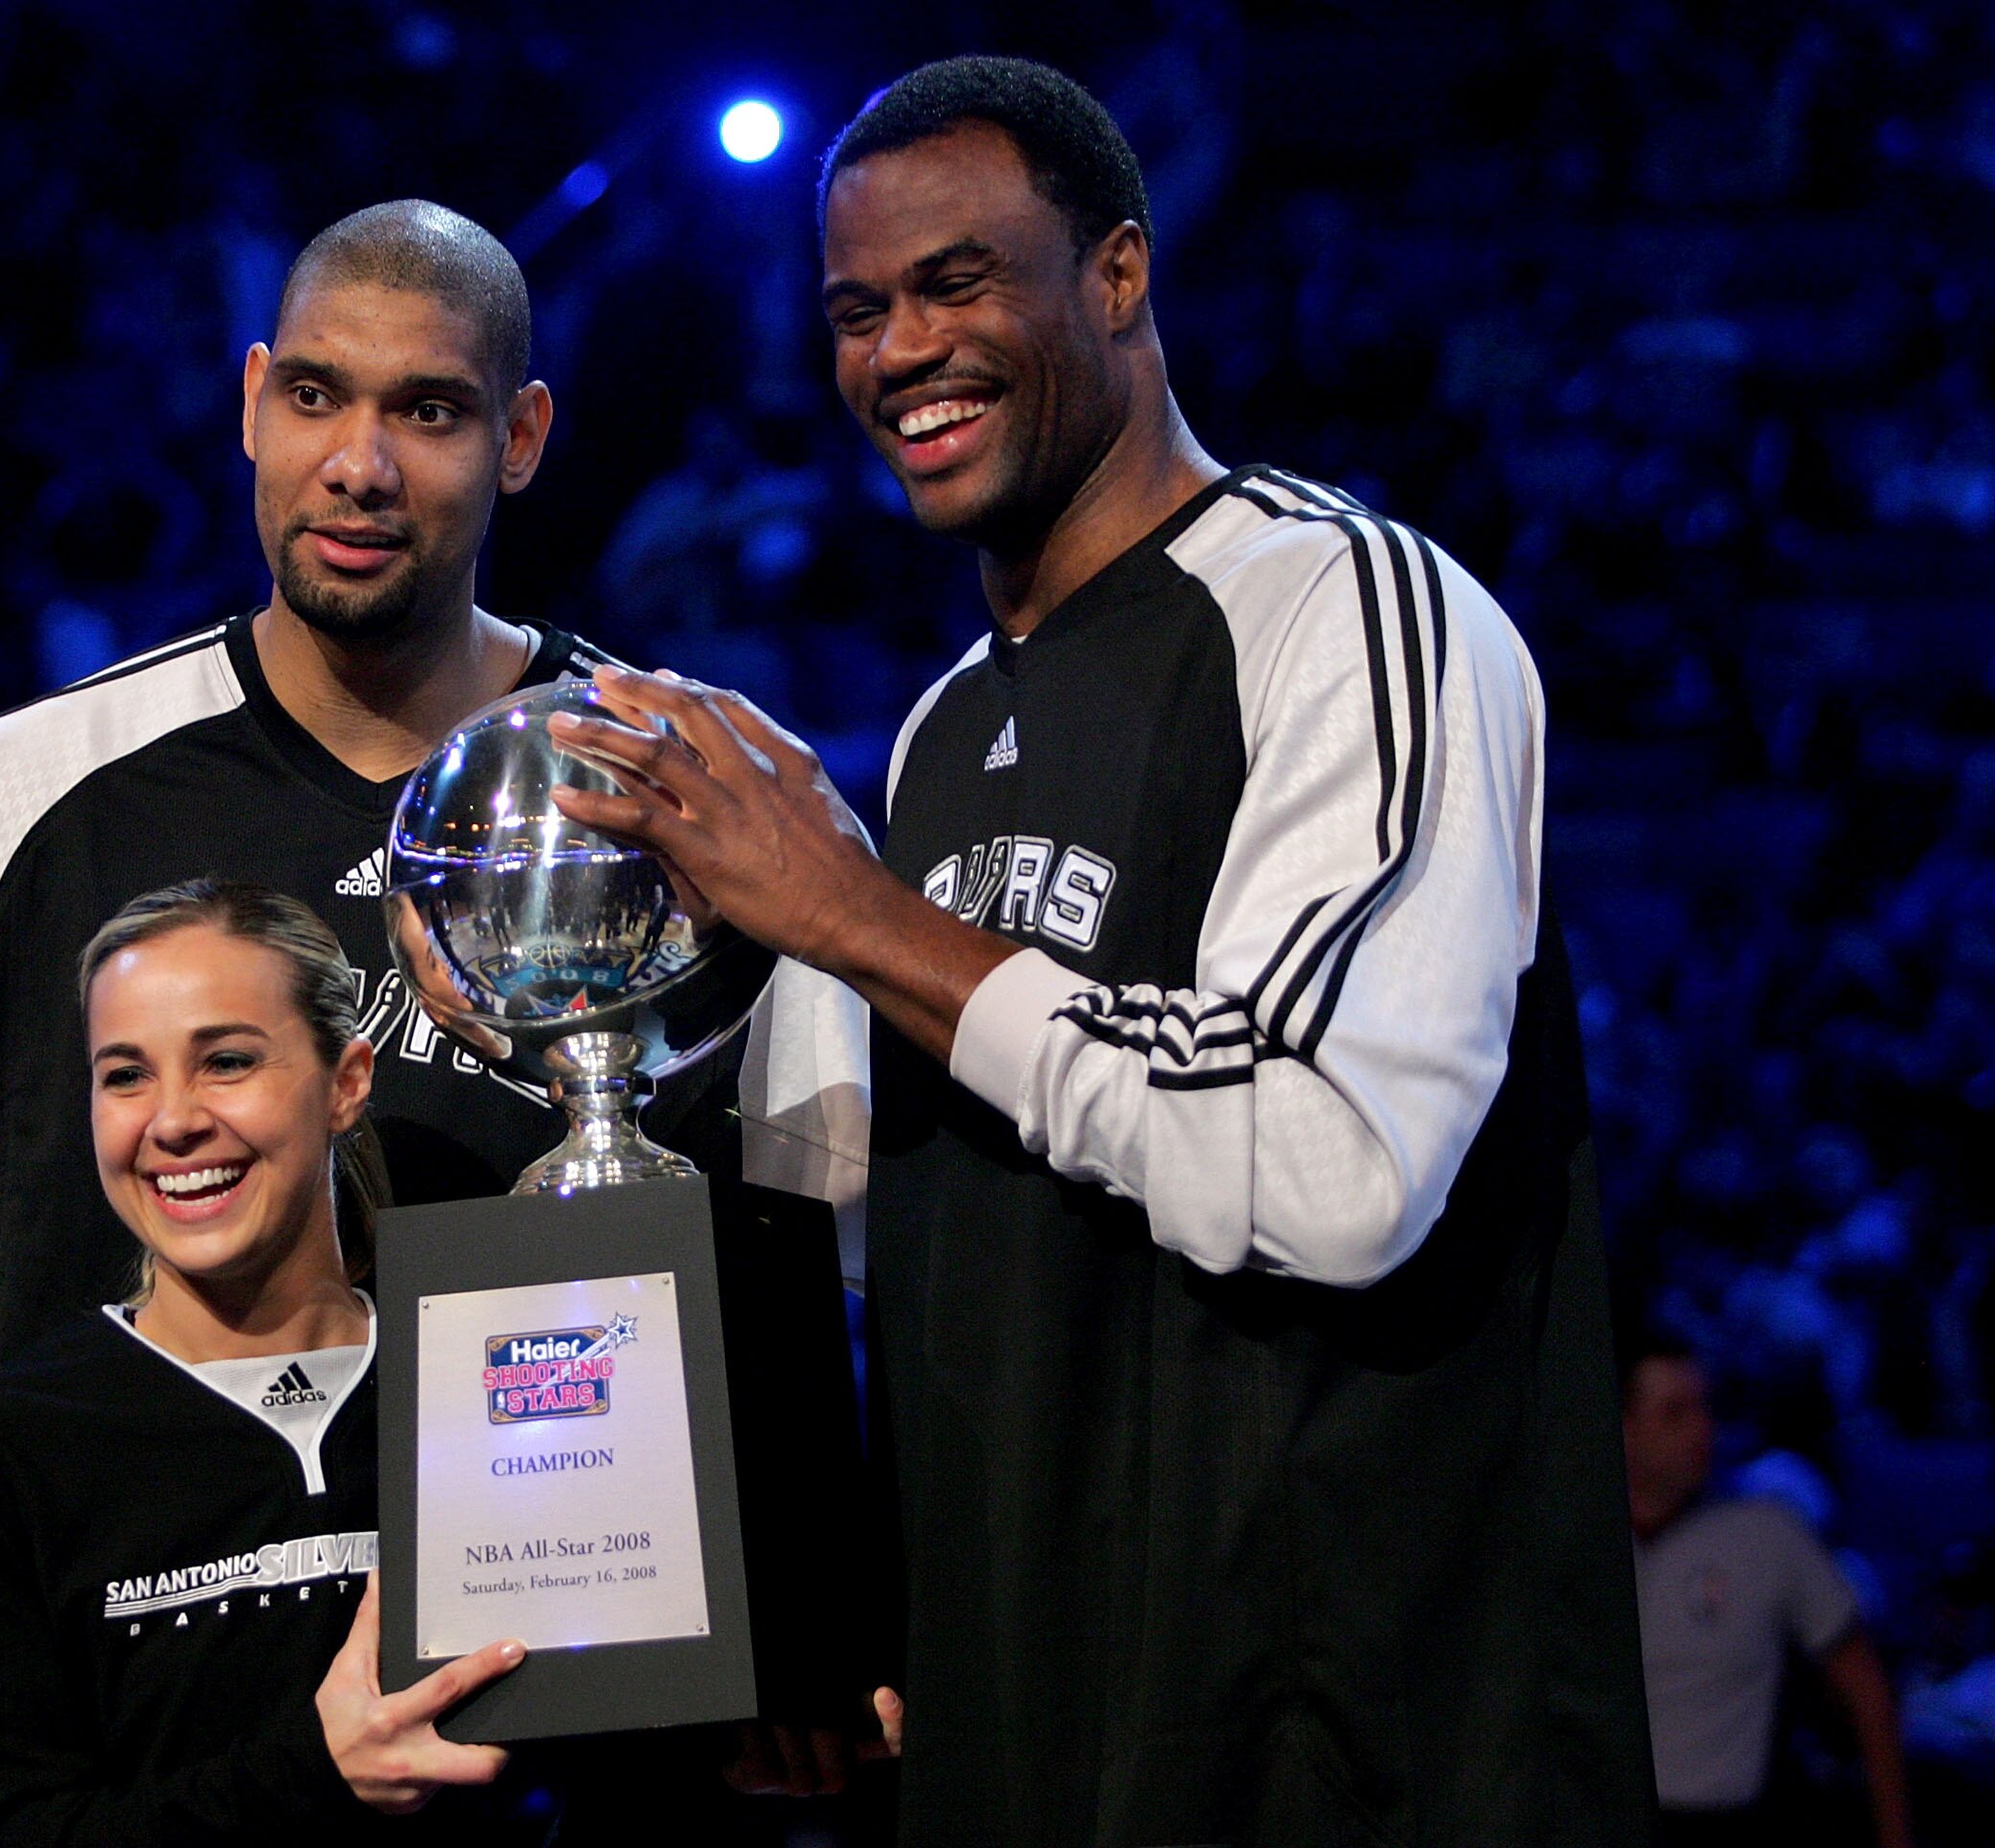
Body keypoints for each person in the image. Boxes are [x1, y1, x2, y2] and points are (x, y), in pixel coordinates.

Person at [548, 55, 1655, 1844]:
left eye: (957, 283)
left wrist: (852, 915)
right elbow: (866, 1231)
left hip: (1341, 1751)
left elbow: (1337, 1168)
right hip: (1025, 1732)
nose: (899, 349)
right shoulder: (926, 741)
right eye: (856, 310)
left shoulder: (1351, 607)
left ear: (1121, 276)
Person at [0, 200, 866, 1844]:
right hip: (125, 1786)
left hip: (580, 1782)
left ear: (524, 434)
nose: (360, 465)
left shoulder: (704, 794)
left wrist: (832, 1641)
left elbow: (834, 1276)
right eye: (318, 398)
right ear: (252, 400)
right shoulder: (16, 802)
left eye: (430, 410)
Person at [0, 879, 522, 1844]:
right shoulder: (3, 1449)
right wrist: (312, 1773)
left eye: (225, 1061)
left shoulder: (482, 1381)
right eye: (125, 1076)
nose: (172, 1121)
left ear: (347, 1082)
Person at [1623, 1334, 1916, 1847]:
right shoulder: (1573, 1545)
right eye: (1674, 1413)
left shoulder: (1766, 1533)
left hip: (1727, 1824)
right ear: (1621, 1425)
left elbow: (1868, 1694)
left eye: (1704, 1408)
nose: (1701, 1429)